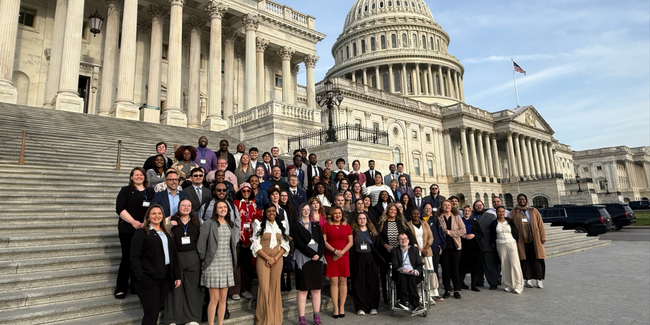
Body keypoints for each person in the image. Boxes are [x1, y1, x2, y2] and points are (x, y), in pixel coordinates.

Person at [130, 204, 181, 325]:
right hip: (148, 279)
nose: (157, 216)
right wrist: (141, 277)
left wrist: (177, 275)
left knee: (156, 310)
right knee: (151, 314)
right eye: (153, 213)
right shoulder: (141, 233)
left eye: (159, 213)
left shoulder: (167, 233)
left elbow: (174, 255)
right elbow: (134, 256)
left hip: (164, 279)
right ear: (148, 217)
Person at [114, 167, 155, 300]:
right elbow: (120, 208)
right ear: (131, 177)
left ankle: (135, 286)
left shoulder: (150, 192)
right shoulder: (126, 190)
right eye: (136, 175)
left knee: (141, 258)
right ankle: (120, 287)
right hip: (128, 228)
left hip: (144, 229)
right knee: (127, 258)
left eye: (141, 175)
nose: (139, 177)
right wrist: (133, 222)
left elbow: (153, 209)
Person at [197, 200, 240, 325]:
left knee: (223, 299)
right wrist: (204, 260)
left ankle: (220, 323)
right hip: (212, 264)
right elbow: (201, 245)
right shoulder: (208, 224)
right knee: (214, 299)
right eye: (220, 207)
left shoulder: (230, 224)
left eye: (225, 207)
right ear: (215, 210)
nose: (222, 209)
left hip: (226, 264)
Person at [164, 199, 203, 325]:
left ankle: (191, 318)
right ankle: (173, 319)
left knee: (192, 288)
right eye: (183, 205)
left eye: (188, 206)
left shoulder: (197, 221)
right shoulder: (170, 220)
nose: (186, 208)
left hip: (193, 257)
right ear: (178, 206)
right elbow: (162, 233)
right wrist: (169, 225)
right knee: (175, 288)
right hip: (176, 257)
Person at [251, 204, 291, 325]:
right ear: (265, 213)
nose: (271, 213)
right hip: (263, 259)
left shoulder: (281, 225)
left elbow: (285, 244)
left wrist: (275, 258)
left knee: (275, 287)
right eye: (269, 211)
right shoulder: (258, 224)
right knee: (264, 288)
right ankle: (264, 319)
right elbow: (255, 244)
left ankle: (275, 319)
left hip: (278, 260)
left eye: (273, 211)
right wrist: (268, 258)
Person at [291, 203, 326, 325]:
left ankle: (316, 316)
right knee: (303, 289)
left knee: (316, 289)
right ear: (300, 211)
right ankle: (302, 318)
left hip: (317, 259)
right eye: (304, 209)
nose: (306, 211)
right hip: (304, 259)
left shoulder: (316, 226)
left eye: (308, 209)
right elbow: (299, 244)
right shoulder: (295, 226)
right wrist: (312, 254)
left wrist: (319, 254)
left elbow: (322, 242)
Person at [377, 203, 416, 305]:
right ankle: (387, 299)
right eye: (391, 210)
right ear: (387, 210)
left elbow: (409, 234)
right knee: (385, 275)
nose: (393, 211)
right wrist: (386, 245)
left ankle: (401, 298)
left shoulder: (401, 222)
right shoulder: (382, 222)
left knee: (399, 275)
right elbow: (378, 237)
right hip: (386, 253)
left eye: (395, 210)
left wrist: (415, 245)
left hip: (400, 253)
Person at [322, 206, 353, 318]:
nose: (337, 215)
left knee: (343, 282)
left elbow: (350, 242)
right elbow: (324, 241)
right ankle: (335, 307)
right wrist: (335, 251)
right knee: (334, 282)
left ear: (342, 214)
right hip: (331, 255)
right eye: (335, 213)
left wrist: (341, 252)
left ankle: (342, 307)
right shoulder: (326, 226)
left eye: (339, 213)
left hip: (343, 256)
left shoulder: (347, 226)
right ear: (331, 214)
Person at [510, 194, 547, 289]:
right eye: (520, 199)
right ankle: (528, 279)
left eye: (523, 199)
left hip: (534, 238)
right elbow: (510, 225)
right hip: (522, 240)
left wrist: (542, 237)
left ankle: (539, 280)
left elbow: (540, 224)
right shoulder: (514, 212)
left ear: (526, 200)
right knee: (525, 260)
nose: (522, 201)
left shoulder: (533, 210)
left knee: (537, 259)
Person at [350, 212, 382, 315]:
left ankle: (373, 306)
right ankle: (360, 307)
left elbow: (377, 246)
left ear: (367, 220)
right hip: (358, 258)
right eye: (360, 218)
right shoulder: (353, 232)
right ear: (357, 220)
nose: (362, 220)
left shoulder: (372, 231)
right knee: (358, 283)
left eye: (364, 218)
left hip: (370, 258)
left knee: (372, 282)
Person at [233, 183, 261, 300]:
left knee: (248, 266)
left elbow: (257, 220)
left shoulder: (254, 204)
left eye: (248, 191)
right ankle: (235, 290)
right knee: (236, 265)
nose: (246, 193)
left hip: (251, 237)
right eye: (243, 191)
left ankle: (245, 289)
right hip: (238, 237)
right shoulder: (236, 203)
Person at [490, 206, 523, 294]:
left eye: (503, 211)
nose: (501, 213)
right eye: (499, 212)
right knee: (505, 265)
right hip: (500, 244)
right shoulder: (494, 223)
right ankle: (509, 284)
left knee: (514, 264)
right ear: (497, 213)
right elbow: (492, 235)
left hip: (511, 243)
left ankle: (518, 285)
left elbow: (515, 232)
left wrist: (515, 241)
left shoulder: (510, 221)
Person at [407, 209, 437, 304]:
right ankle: (419, 295)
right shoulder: (408, 225)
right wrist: (418, 249)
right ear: (411, 215)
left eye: (417, 213)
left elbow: (431, 237)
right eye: (413, 213)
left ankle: (429, 295)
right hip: (414, 251)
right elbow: (409, 238)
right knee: (418, 273)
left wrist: (425, 249)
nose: (416, 215)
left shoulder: (425, 223)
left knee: (429, 273)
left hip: (427, 251)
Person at [437, 200, 465, 299]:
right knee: (446, 269)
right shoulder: (438, 218)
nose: (447, 207)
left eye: (449, 205)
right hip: (444, 247)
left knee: (455, 268)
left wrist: (450, 233)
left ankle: (456, 290)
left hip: (455, 246)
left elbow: (463, 230)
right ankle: (447, 289)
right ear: (441, 206)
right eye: (445, 205)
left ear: (451, 206)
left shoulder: (456, 217)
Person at [391, 233, 424, 314]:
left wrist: (416, 271)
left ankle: (415, 304)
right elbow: (394, 265)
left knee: (412, 279)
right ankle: (403, 301)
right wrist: (401, 268)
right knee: (402, 277)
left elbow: (420, 264)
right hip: (401, 273)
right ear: (398, 241)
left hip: (412, 272)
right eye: (401, 239)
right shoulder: (394, 251)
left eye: (405, 238)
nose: (404, 240)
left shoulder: (414, 250)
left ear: (408, 240)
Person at [473, 199, 500, 290]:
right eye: (477, 205)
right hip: (475, 245)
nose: (479, 206)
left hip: (487, 244)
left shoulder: (491, 216)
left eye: (480, 205)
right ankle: (479, 281)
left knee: (489, 264)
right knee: (478, 265)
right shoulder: (471, 216)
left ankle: (493, 282)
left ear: (483, 206)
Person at [423, 202, 446, 301]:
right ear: (423, 209)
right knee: (425, 269)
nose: (428, 210)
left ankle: (435, 291)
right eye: (426, 208)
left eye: (430, 208)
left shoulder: (435, 219)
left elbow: (440, 233)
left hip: (435, 248)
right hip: (424, 249)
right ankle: (425, 290)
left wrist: (441, 245)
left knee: (434, 269)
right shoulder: (420, 220)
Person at [459, 204, 484, 292]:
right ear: (463, 212)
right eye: (465, 211)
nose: (467, 212)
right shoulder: (460, 221)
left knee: (475, 266)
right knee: (463, 266)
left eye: (468, 211)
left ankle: (473, 285)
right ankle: (460, 283)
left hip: (474, 245)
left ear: (471, 212)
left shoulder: (474, 222)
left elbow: (481, 234)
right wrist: (463, 236)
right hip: (464, 245)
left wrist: (474, 235)